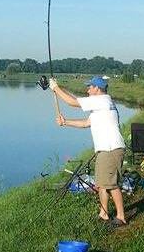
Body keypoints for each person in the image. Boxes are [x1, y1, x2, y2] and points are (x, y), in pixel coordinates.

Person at [49, 76, 127, 226]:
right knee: (102, 183)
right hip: (106, 149)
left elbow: (72, 102)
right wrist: (66, 122)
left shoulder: (102, 100)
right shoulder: (103, 104)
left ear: (97, 88)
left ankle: (121, 217)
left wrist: (55, 88)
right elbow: (86, 123)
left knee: (111, 184)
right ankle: (103, 213)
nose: (87, 90)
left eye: (90, 87)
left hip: (110, 149)